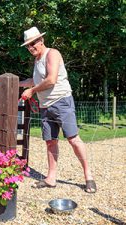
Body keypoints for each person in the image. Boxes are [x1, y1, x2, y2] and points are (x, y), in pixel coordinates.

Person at [20, 26, 97, 193]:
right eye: (28, 45)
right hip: (45, 106)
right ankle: (51, 178)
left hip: (62, 102)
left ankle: (88, 176)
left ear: (41, 40)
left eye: (33, 43)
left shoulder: (52, 54)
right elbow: (34, 80)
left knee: (73, 139)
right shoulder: (37, 60)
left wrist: (31, 91)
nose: (31, 47)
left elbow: (51, 79)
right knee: (50, 142)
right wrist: (15, 84)